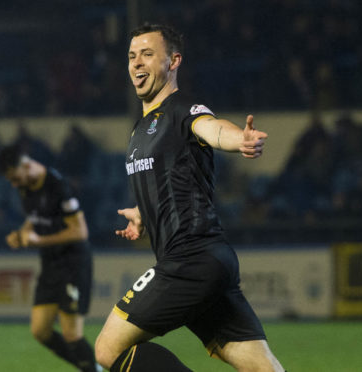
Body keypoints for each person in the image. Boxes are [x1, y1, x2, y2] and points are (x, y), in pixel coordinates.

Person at [94, 24, 285, 372]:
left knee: (107, 349)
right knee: (262, 368)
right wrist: (144, 214)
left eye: (148, 54)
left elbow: (211, 128)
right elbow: (171, 182)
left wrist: (238, 140)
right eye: (132, 56)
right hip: (211, 263)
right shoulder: (141, 129)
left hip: (188, 261)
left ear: (173, 60)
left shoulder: (181, 108)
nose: (137, 63)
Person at [0, 145, 100, 372]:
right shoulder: (25, 186)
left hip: (73, 262)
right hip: (51, 263)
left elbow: (81, 232)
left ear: (25, 165)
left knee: (72, 334)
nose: (14, 184)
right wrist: (21, 234)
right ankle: (92, 368)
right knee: (40, 331)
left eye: (15, 178)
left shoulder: (57, 185)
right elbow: (35, 218)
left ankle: (93, 369)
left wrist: (38, 241)